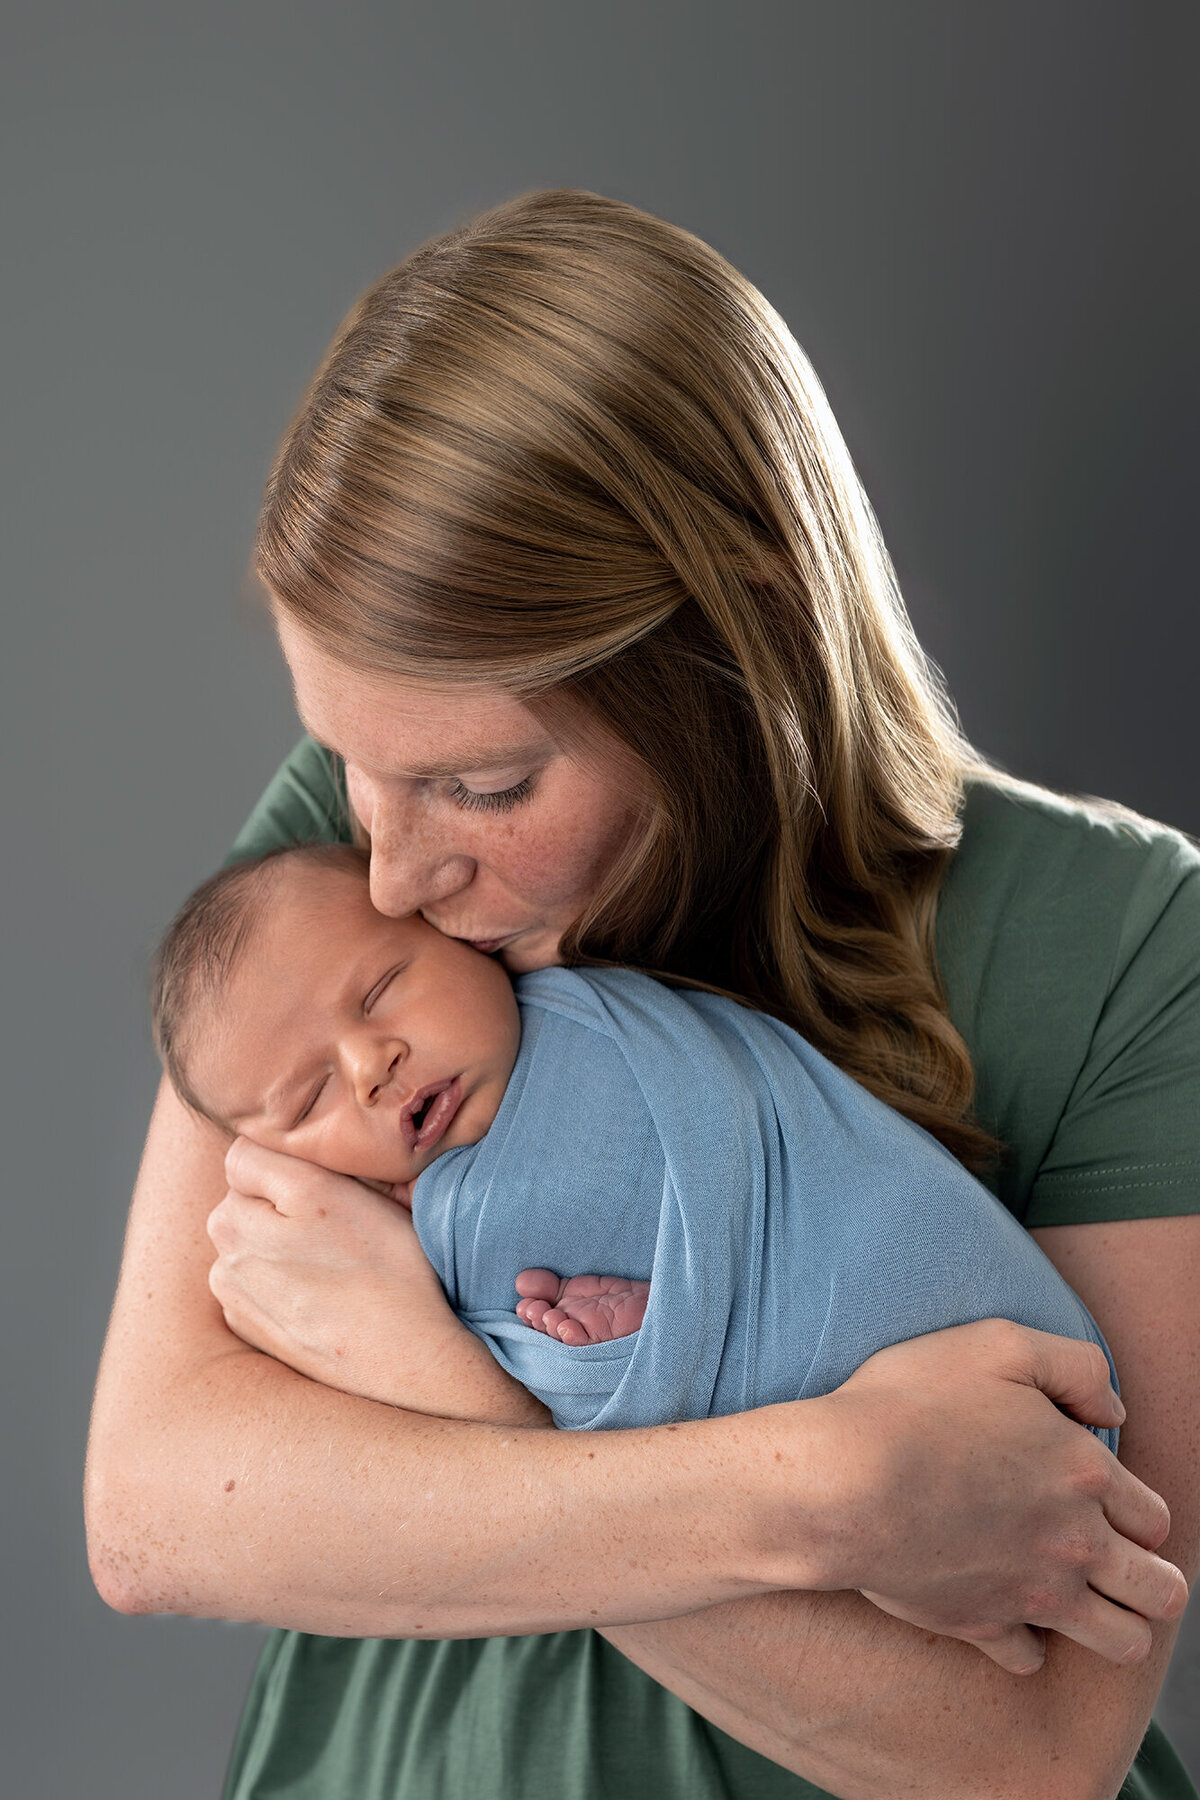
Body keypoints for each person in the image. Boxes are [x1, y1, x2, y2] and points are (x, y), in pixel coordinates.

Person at [84, 189, 1199, 1800]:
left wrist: (434, 1397)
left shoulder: (1125, 947)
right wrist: (829, 1485)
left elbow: (1031, 1748)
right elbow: (164, 1502)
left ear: (735, 636)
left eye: (484, 782)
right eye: (348, 760)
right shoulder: (349, 871)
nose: (392, 872)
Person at [149, 841, 1122, 1437]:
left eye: (380, 991)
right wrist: (622, 1347)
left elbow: (767, 1167)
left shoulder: (595, 1026)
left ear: (460, 936)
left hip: (933, 1297)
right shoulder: (382, 1243)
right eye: (313, 1092)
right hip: (823, 1454)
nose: (372, 1065)